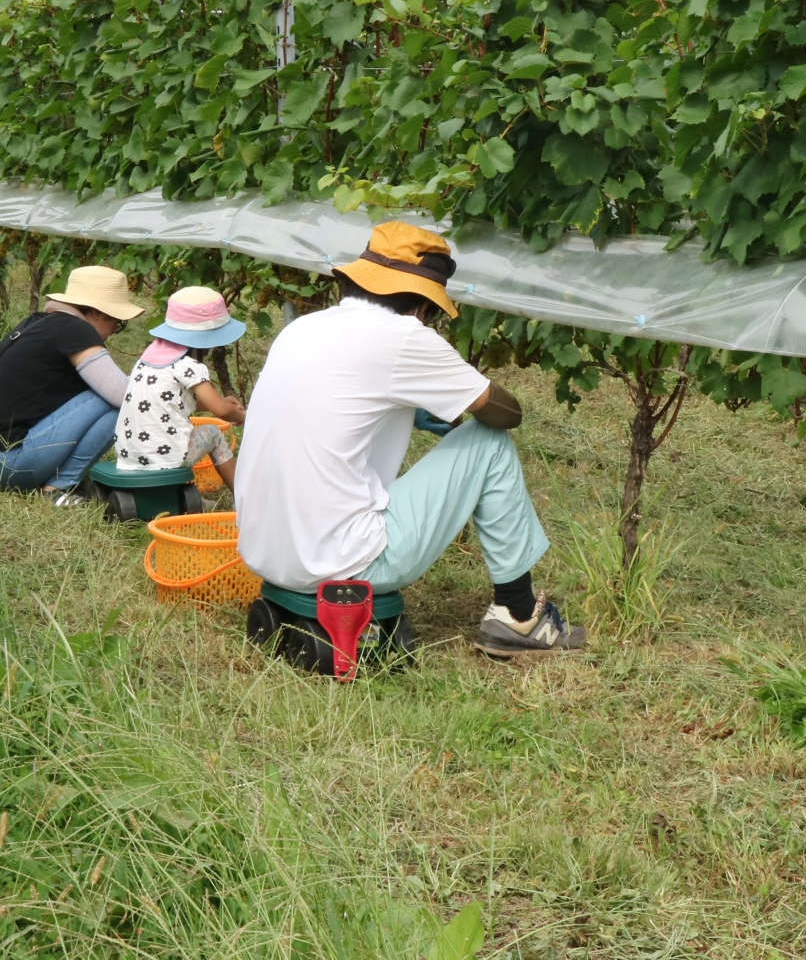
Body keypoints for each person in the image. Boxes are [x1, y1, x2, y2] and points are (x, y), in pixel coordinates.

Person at [235, 220, 586, 660]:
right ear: (424, 306)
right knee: (489, 442)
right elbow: (504, 413)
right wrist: (451, 396)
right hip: (340, 561)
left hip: (264, 550)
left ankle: (516, 616)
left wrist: (412, 405)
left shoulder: (302, 329)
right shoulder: (405, 336)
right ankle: (518, 616)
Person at [0, 266, 142, 502]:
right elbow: (124, 394)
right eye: (117, 323)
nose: (114, 331)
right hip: (3, 467)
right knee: (124, 401)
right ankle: (58, 488)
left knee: (108, 393)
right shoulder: (75, 330)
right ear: (99, 313)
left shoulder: (37, 324)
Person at [114, 286, 247, 489]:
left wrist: (219, 401)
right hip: (167, 456)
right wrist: (245, 417)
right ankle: (243, 496)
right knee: (214, 434)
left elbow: (170, 401)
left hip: (130, 456)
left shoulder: (149, 358)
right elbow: (220, 411)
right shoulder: (190, 366)